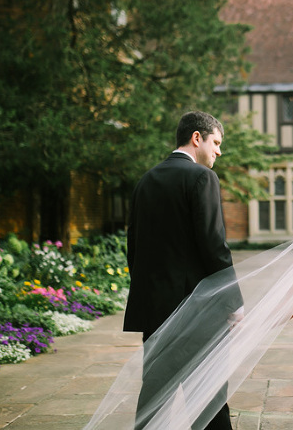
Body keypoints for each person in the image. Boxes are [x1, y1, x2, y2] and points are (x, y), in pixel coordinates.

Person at [123, 110, 239, 430]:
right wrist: (233, 301)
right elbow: (214, 246)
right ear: (196, 138)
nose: (219, 151)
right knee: (209, 396)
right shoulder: (202, 178)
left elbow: (134, 248)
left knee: (154, 399)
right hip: (196, 313)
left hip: (155, 312)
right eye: (216, 142)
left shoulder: (146, 180)